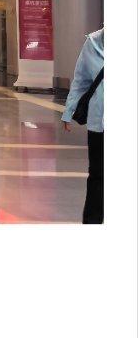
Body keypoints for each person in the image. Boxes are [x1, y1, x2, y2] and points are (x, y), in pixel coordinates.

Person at [62, 28, 104, 224]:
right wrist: (68, 112)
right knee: (97, 175)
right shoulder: (93, 43)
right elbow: (81, 80)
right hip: (99, 123)